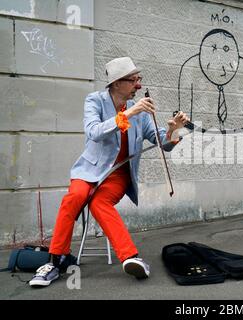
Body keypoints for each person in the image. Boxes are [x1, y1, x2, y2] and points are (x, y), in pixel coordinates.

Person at [29, 57, 189, 287]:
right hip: (89, 170)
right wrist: (130, 113)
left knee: (98, 204)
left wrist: (174, 130)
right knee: (74, 197)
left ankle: (131, 258)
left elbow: (161, 141)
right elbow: (94, 131)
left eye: (139, 79)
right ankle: (56, 260)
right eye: (133, 80)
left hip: (118, 174)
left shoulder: (142, 114)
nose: (138, 85)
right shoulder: (95, 100)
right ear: (116, 83)